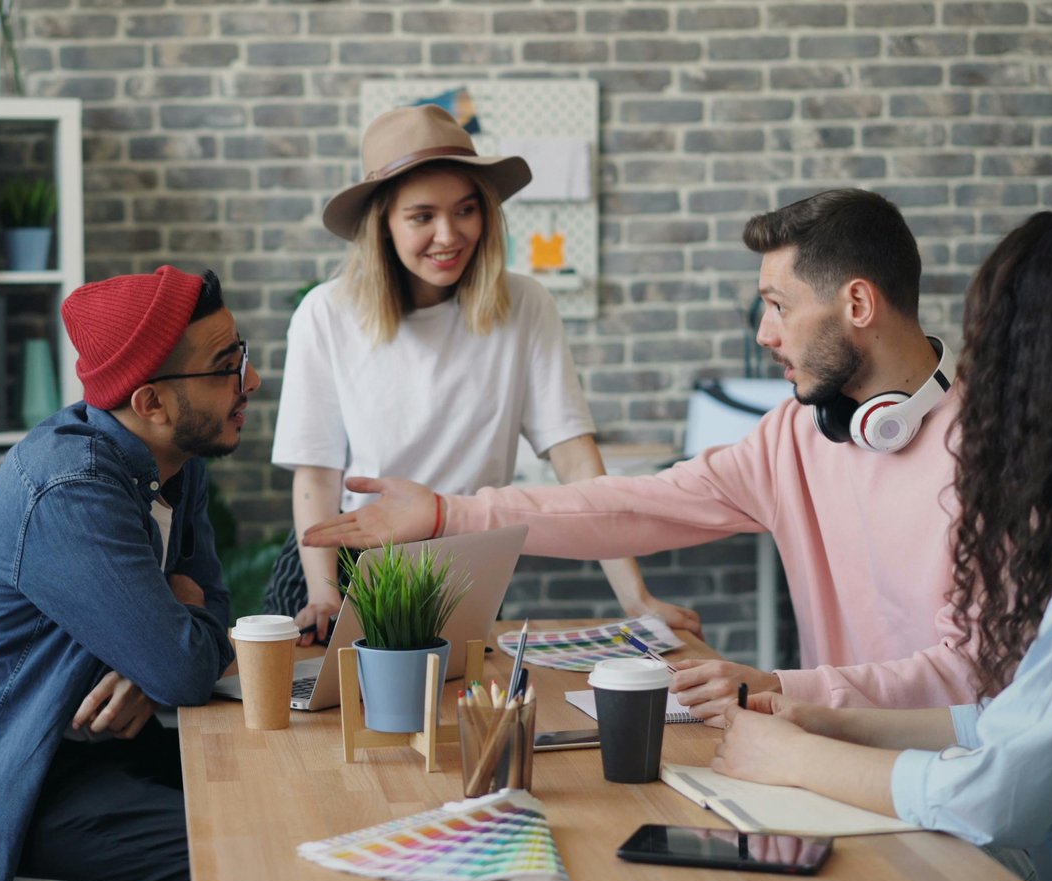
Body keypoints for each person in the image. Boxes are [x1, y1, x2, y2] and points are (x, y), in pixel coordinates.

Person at [304, 188, 978, 721]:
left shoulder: (989, 456)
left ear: (858, 302)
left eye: (778, 305)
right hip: (831, 752)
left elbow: (970, 679)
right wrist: (449, 512)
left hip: (941, 779)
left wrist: (781, 688)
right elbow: (634, 505)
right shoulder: (797, 435)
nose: (767, 334)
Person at [712, 210, 1052, 881]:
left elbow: (998, 797)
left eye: (992, 351)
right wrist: (835, 723)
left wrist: (797, 756)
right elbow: (1016, 720)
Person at [265, 103, 699, 646]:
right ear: (384, 224)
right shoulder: (326, 312)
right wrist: (324, 593)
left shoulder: (526, 304)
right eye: (422, 216)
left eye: (465, 210)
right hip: (341, 565)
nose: (448, 235)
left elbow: (575, 459)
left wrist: (635, 596)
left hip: (467, 560)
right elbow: (317, 474)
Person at [0, 266, 258, 881]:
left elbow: (207, 617)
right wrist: (166, 639)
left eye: (243, 357)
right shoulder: (70, 489)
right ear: (150, 402)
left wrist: (157, 657)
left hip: (100, 750)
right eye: (224, 368)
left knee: (286, 804)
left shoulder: (175, 455)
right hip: (15, 784)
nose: (250, 381)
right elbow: (182, 666)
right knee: (248, 851)